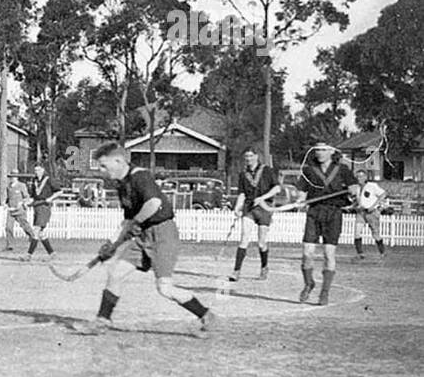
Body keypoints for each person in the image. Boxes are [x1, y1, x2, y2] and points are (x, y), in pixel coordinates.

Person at [75, 142, 217, 336]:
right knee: (116, 274)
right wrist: (112, 243)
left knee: (164, 288)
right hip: (143, 235)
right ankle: (102, 321)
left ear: (118, 161)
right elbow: (127, 220)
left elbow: (154, 203)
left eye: (103, 166)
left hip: (162, 234)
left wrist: (136, 223)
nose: (101, 171)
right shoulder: (122, 185)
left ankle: (206, 314)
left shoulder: (140, 176)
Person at [295, 144, 357, 304]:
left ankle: (325, 292)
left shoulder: (342, 169)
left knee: (329, 255)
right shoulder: (309, 170)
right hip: (314, 212)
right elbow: (301, 191)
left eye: (323, 150)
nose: (319, 153)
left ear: (331, 152)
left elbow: (354, 187)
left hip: (333, 213)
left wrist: (353, 191)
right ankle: (309, 283)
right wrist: (300, 200)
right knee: (307, 253)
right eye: (317, 150)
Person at [229, 148, 282, 282]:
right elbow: (242, 193)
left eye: (251, 156)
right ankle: (236, 271)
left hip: (264, 208)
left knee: (261, 242)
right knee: (244, 237)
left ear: (257, 157)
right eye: (246, 156)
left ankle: (264, 267)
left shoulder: (267, 170)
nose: (248, 159)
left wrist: (263, 197)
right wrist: (237, 206)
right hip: (249, 208)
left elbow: (277, 188)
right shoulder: (243, 174)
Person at [24, 164, 59, 261]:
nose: (36, 172)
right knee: (41, 233)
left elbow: (59, 191)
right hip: (37, 207)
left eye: (38, 170)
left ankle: (28, 255)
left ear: (43, 170)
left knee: (35, 231)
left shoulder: (48, 180)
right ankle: (52, 253)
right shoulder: (35, 181)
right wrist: (27, 202)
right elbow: (33, 196)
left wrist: (50, 199)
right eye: (35, 170)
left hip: (44, 207)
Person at [352, 169, 388, 261]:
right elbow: (358, 201)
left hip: (371, 213)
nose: (359, 178)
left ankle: (382, 252)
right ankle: (360, 253)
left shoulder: (372, 186)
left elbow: (383, 194)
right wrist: (354, 206)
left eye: (361, 176)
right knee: (357, 232)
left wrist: (374, 206)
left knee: (375, 234)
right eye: (358, 176)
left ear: (365, 177)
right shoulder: (357, 188)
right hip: (361, 212)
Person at [4, 175, 37, 252]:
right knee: (8, 227)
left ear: (16, 178)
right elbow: (8, 198)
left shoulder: (21, 186)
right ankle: (10, 245)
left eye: (14, 177)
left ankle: (32, 237)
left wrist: (21, 203)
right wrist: (6, 204)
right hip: (11, 210)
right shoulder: (9, 187)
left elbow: (26, 197)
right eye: (11, 177)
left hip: (20, 210)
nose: (12, 178)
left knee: (25, 225)